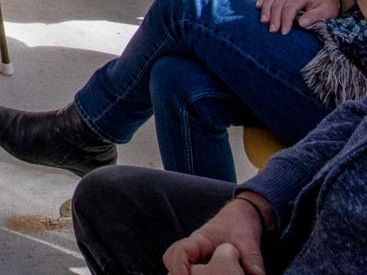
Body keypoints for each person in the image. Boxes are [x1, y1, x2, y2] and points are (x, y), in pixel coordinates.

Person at [0, 0, 367, 186]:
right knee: (177, 79)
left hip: (354, 102)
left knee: (186, 4)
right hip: (339, 44)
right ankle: (214, 246)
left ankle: (85, 131)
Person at [72, 92, 367, 275]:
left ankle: (81, 132)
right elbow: (357, 116)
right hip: (318, 226)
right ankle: (81, 133)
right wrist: (254, 203)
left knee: (184, 12)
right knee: (108, 198)